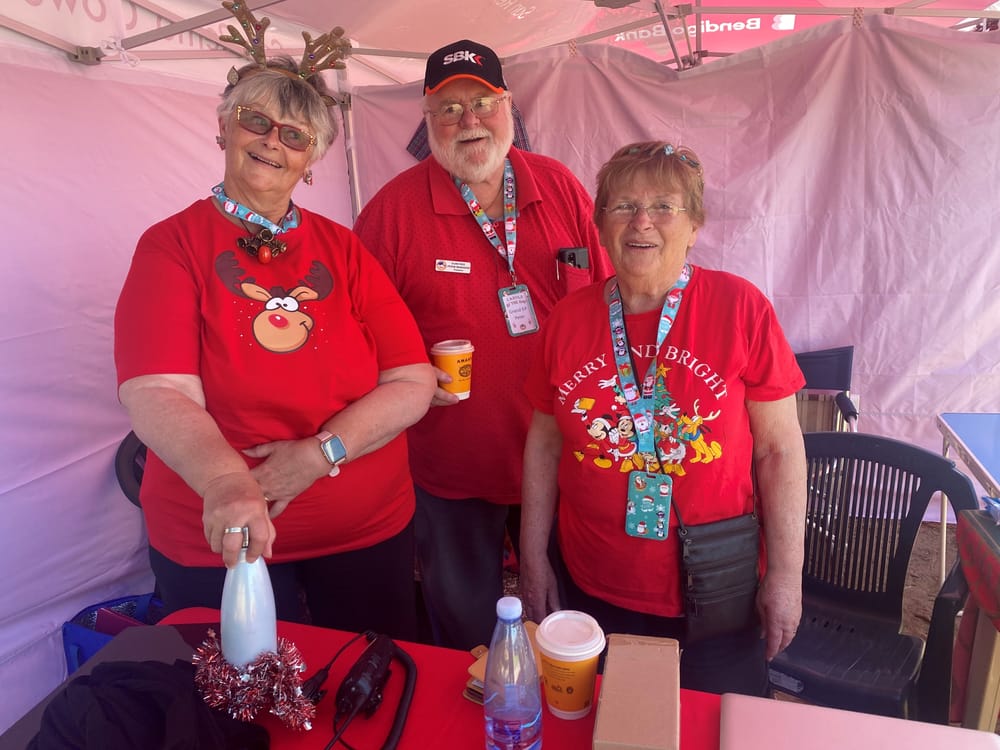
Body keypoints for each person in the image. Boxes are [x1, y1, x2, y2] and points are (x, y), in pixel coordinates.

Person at [114, 52, 436, 642]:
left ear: (310, 160)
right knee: (238, 716)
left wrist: (319, 455)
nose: (271, 142)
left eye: (294, 135)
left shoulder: (343, 248)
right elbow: (157, 390)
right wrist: (225, 482)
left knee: (369, 696)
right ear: (224, 126)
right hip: (221, 537)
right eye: (255, 120)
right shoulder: (171, 246)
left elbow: (413, 380)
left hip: (366, 530)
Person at [519, 141, 807, 695]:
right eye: (622, 206)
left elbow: (780, 451)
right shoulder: (567, 320)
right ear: (600, 225)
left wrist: (787, 577)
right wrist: (533, 560)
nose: (641, 222)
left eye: (663, 206)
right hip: (594, 583)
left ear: (695, 224)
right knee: (605, 722)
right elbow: (544, 446)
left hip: (716, 589)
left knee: (714, 727)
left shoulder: (740, 307)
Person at [354, 40, 614, 651]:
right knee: (465, 632)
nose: (468, 121)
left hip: (566, 460)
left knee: (567, 622)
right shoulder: (390, 214)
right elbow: (360, 339)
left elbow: (606, 303)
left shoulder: (560, 187)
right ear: (426, 118)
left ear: (508, 106)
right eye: (448, 109)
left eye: (481, 102)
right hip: (451, 472)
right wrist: (409, 377)